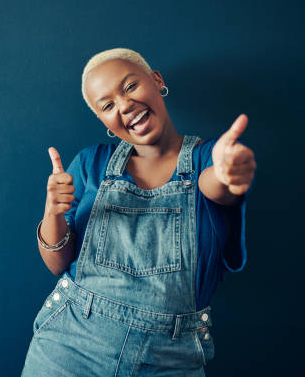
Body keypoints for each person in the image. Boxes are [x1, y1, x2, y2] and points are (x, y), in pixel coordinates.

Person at [21, 48, 256, 376]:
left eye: (130, 86)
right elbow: (57, 263)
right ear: (103, 121)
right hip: (70, 350)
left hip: (169, 361)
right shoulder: (91, 164)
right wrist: (53, 212)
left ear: (156, 80)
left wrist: (229, 172)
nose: (124, 105)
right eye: (107, 105)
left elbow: (215, 186)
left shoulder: (208, 159)